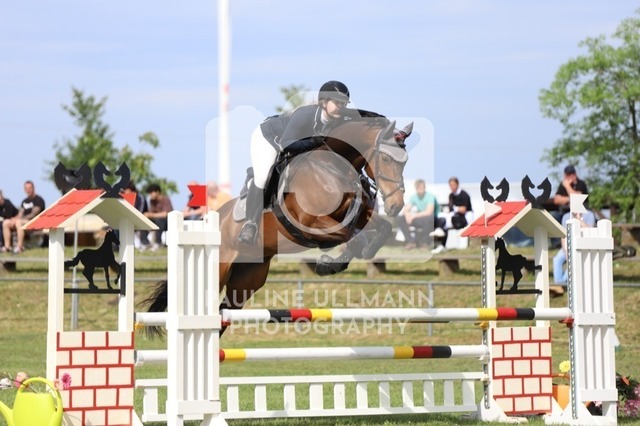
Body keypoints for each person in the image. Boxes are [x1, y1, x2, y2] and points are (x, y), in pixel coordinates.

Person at [239, 80, 359, 244]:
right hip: (270, 138)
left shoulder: (337, 120)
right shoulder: (305, 115)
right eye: (337, 102)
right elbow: (286, 144)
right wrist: (312, 142)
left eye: (343, 104)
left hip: (295, 143)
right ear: (324, 102)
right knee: (263, 177)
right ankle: (250, 224)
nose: (341, 106)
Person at [551, 211, 596, 297]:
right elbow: (563, 236)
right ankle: (558, 284)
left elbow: (589, 232)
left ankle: (560, 285)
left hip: (583, 247)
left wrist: (579, 219)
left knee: (573, 261)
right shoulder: (566, 216)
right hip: (567, 246)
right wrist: (566, 251)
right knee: (557, 259)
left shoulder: (589, 215)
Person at [430, 177, 473, 253]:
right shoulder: (451, 196)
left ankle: (440, 235)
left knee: (445, 224)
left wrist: (456, 209)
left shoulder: (464, 194)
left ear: (457, 184)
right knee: (442, 221)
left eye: (453, 185)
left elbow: (463, 210)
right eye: (450, 185)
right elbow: (450, 209)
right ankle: (441, 245)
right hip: (454, 217)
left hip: (464, 218)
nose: (452, 187)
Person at [2, 181, 46, 253]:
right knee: (6, 222)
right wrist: (14, 219)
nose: (28, 190)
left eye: (30, 188)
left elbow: (33, 214)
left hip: (34, 222)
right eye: (26, 188)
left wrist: (18, 220)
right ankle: (7, 247)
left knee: (19, 222)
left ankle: (19, 247)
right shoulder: (24, 201)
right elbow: (20, 213)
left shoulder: (39, 200)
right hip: (24, 221)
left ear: (33, 188)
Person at [396, 179, 439, 249]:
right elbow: (406, 210)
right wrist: (407, 215)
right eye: (418, 187)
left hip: (434, 220)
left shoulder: (430, 196)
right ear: (416, 188)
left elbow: (429, 212)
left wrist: (414, 215)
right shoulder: (413, 197)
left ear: (424, 187)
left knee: (428, 218)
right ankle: (411, 242)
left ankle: (424, 243)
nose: (420, 189)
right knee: (401, 218)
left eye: (422, 187)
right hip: (421, 218)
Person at [144, 183, 173, 251]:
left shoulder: (165, 199)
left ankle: (158, 243)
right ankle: (145, 243)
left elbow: (165, 214)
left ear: (157, 192)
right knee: (144, 221)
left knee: (160, 220)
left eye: (151, 193)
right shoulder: (152, 201)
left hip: (167, 222)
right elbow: (151, 212)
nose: (150, 195)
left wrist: (152, 215)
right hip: (157, 221)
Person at [121, 180, 149, 249]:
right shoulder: (123, 197)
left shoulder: (140, 197)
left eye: (125, 190)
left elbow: (140, 212)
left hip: (140, 219)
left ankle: (145, 243)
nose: (124, 192)